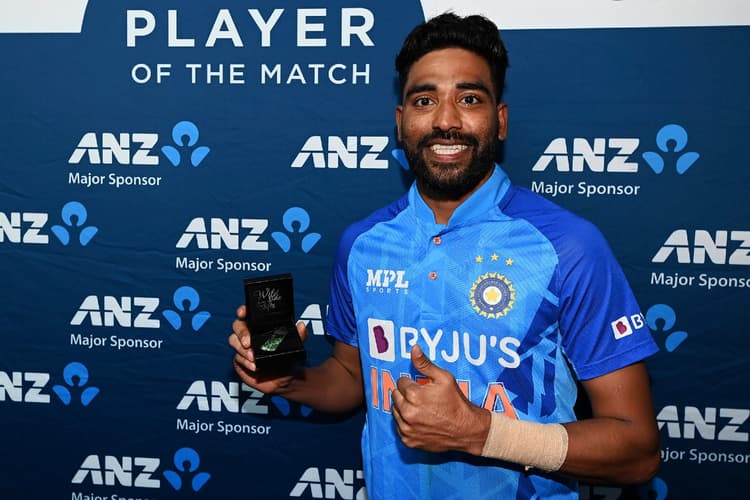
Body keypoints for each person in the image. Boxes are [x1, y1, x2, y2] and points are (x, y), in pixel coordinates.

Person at [230, 12, 660, 499]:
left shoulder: (568, 245)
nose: (446, 121)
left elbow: (637, 450)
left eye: (469, 98)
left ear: (500, 120)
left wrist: (482, 433)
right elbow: (351, 377)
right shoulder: (363, 243)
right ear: (400, 122)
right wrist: (289, 380)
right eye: (425, 100)